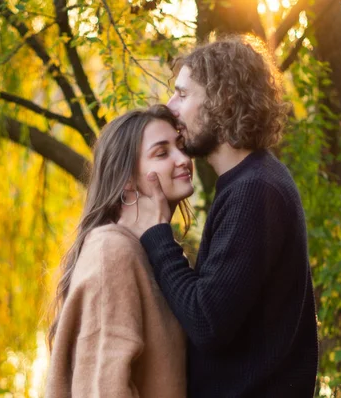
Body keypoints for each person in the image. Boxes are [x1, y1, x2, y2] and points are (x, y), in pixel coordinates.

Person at [119, 35, 319, 397]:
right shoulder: (249, 182)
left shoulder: (255, 191)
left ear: (223, 99)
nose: (170, 105)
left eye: (182, 94)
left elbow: (207, 322)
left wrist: (157, 233)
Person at [45, 105, 194, 397]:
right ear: (127, 179)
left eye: (180, 146)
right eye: (162, 153)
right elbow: (103, 388)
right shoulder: (112, 251)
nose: (184, 159)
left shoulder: (153, 254)